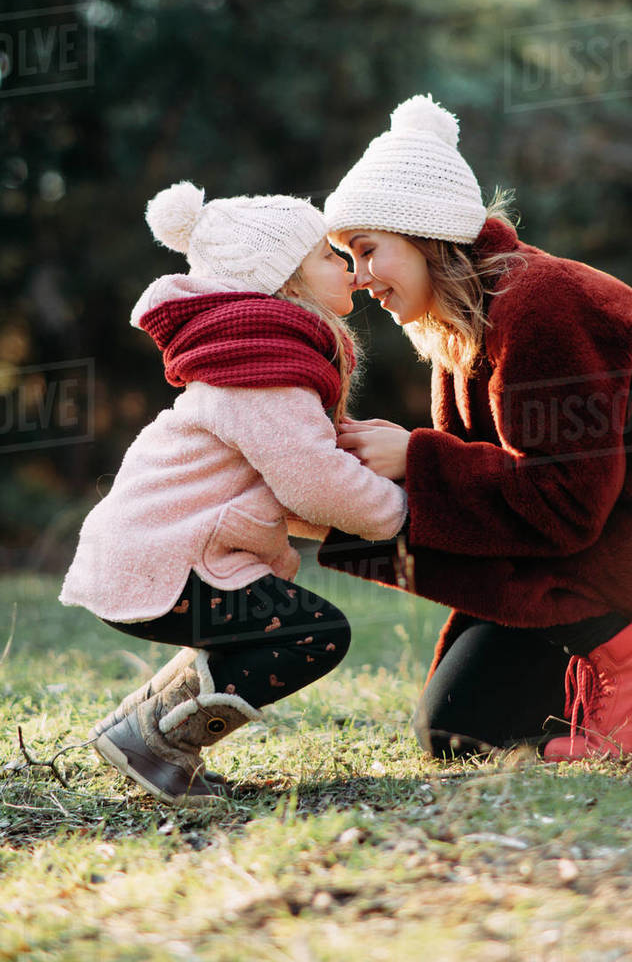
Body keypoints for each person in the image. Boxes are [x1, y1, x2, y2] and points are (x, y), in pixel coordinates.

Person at [318, 94, 632, 762]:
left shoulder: (542, 306)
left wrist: (416, 458)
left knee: (469, 736)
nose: (359, 279)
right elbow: (488, 514)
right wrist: (342, 504)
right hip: (605, 545)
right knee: (459, 731)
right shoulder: (462, 331)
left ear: (423, 230)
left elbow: (563, 507)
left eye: (366, 249)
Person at [60, 182, 407, 804]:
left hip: (156, 554)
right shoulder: (262, 374)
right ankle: (156, 740)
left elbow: (292, 487)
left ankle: (133, 727)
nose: (352, 271)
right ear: (284, 282)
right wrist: (395, 512)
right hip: (166, 559)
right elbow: (313, 480)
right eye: (331, 256)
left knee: (268, 628)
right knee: (311, 633)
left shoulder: (258, 364)